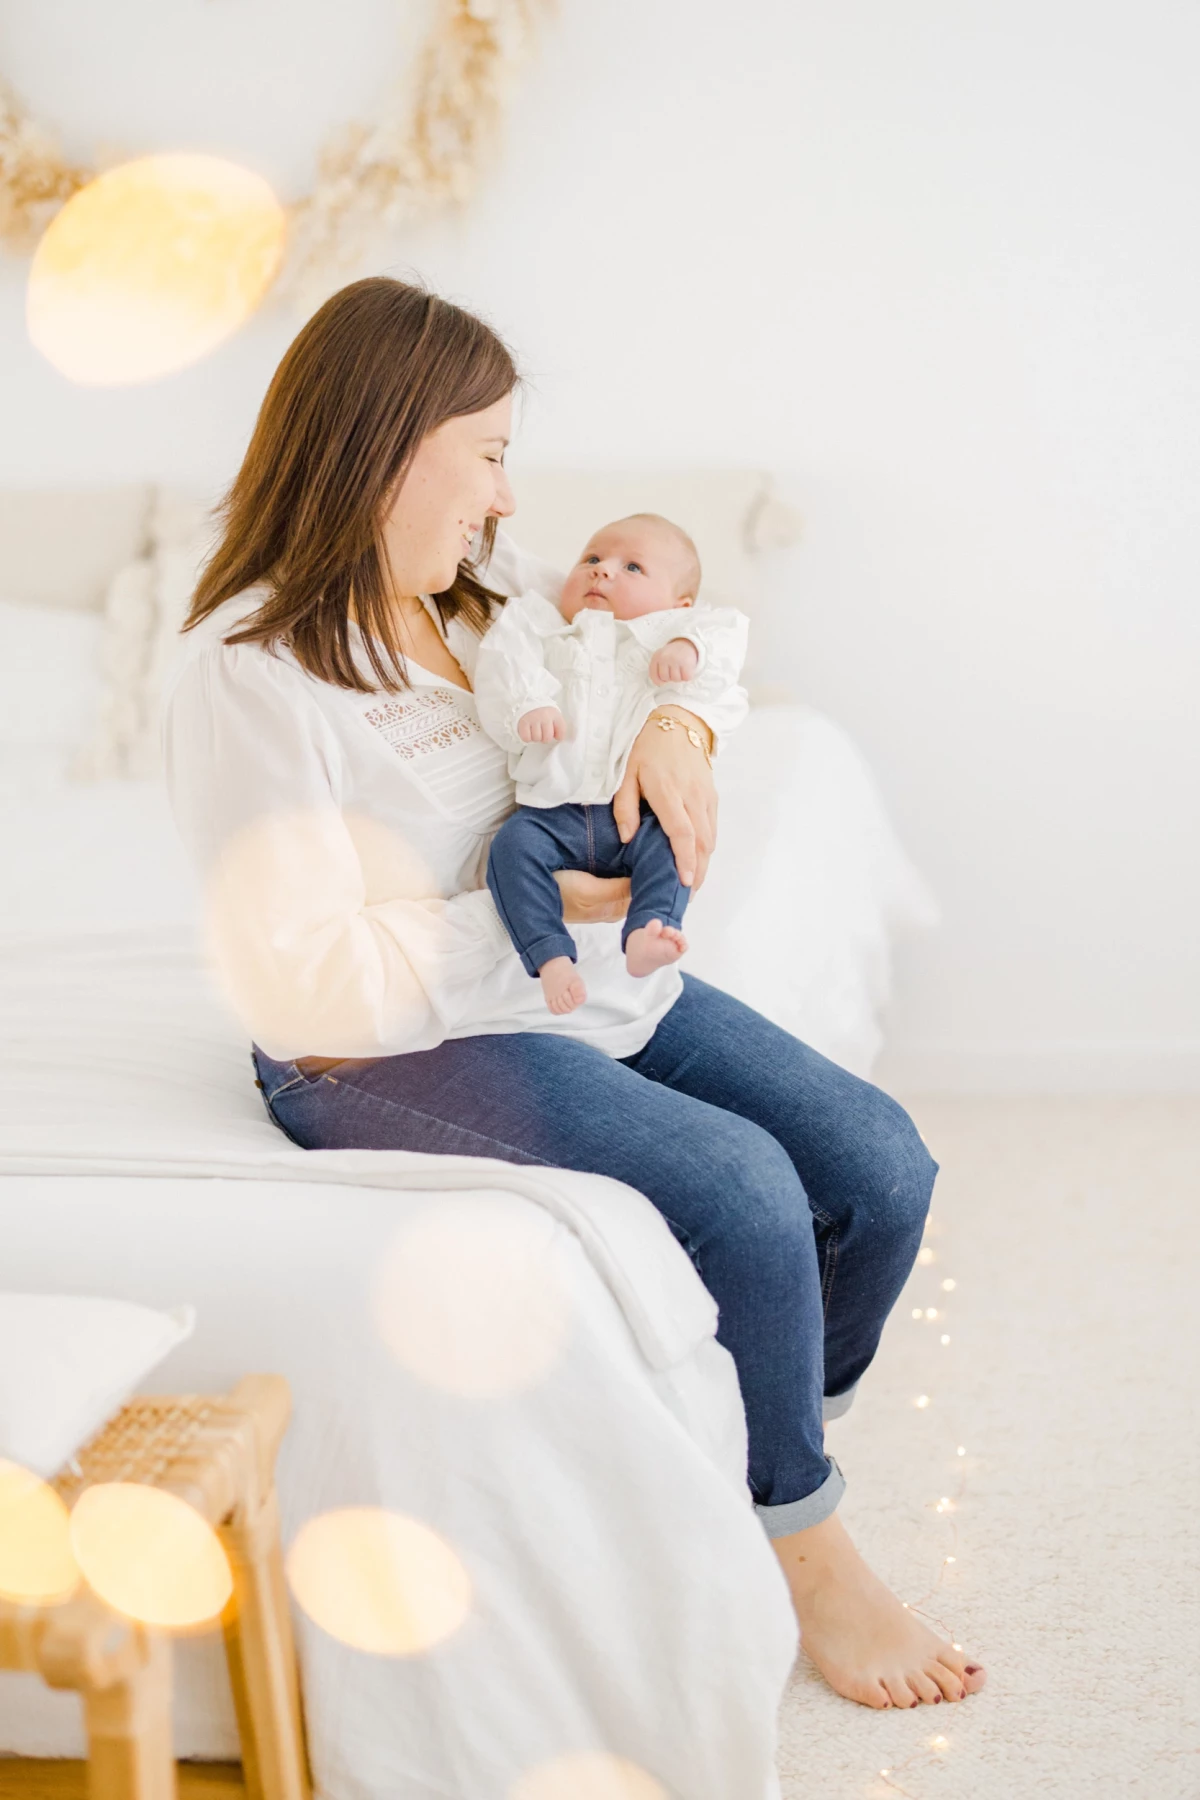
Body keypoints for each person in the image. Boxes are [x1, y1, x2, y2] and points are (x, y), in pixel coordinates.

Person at [164, 274, 986, 1712]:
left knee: (879, 1166)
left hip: (586, 984)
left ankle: (758, 1453)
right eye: (483, 450)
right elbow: (303, 969)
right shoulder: (249, 672)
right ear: (387, 443)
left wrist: (676, 723)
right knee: (739, 1186)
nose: (502, 491)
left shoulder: (489, 598)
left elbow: (694, 631)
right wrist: (540, 912)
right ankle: (805, 1547)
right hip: (374, 1044)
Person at [474, 512, 749, 1012]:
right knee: (511, 850)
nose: (603, 571)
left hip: (633, 817)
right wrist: (526, 706)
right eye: (593, 558)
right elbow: (503, 662)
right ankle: (550, 955)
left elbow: (728, 637)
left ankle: (650, 929)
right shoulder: (543, 623)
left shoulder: (678, 629)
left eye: (633, 568)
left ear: (679, 604)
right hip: (552, 813)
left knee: (671, 847)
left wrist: (690, 648)